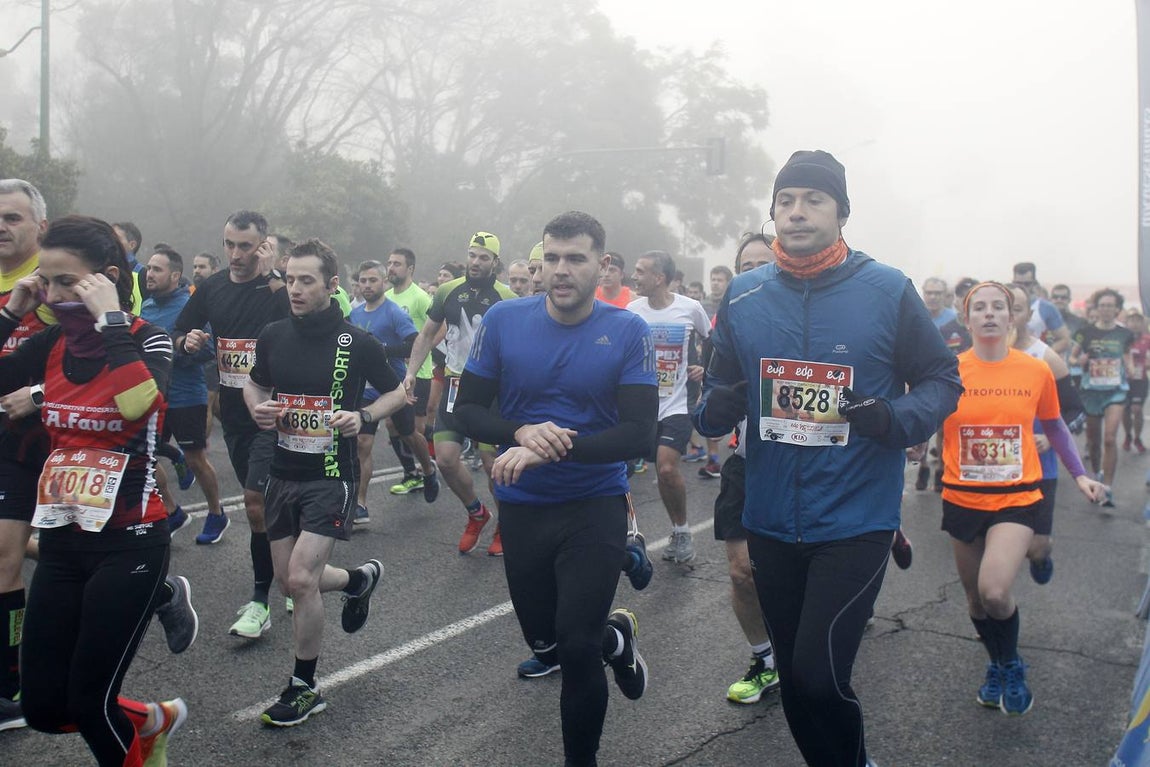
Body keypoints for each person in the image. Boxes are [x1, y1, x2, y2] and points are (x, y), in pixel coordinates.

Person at [695, 150, 962, 766]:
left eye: (813, 200)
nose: (797, 212)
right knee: (795, 681)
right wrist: (721, 403)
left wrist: (892, 419)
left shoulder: (886, 289)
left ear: (841, 213)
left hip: (855, 520)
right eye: (785, 200)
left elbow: (941, 380)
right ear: (772, 213)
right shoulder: (743, 294)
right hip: (769, 518)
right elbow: (711, 403)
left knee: (819, 676)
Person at [455, 210, 655, 767]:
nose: (560, 271)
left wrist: (549, 445)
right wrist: (518, 430)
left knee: (576, 643)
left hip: (594, 503)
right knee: (544, 642)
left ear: (602, 264)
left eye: (576, 259)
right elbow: (467, 409)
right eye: (552, 258)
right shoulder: (503, 320)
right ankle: (618, 640)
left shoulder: (628, 329)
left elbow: (640, 433)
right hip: (522, 507)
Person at [2, 215, 197, 766]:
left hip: (131, 543)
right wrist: (11, 311)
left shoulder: (147, 338)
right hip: (65, 538)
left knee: (90, 704)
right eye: (46, 280)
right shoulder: (50, 343)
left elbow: (138, 402)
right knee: (42, 707)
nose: (52, 294)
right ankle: (154, 721)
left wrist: (110, 315)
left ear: (106, 277)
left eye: (67, 282)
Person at [244, 238, 404, 726]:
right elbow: (255, 382)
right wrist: (258, 407)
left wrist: (363, 415)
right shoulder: (273, 334)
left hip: (331, 475)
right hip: (282, 469)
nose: (294, 288)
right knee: (292, 584)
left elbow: (400, 392)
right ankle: (358, 580)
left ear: (332, 285)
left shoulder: (357, 342)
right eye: (290, 278)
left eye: (305, 280)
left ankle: (304, 686)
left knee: (299, 578)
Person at [941, 281, 1103, 716]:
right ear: (967, 317)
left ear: (1013, 317)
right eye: (981, 307)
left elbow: (1055, 427)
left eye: (1000, 307)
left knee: (994, 592)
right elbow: (926, 421)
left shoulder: (1035, 371)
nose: (991, 313)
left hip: (1017, 494)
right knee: (974, 600)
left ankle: (1011, 664)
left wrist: (1080, 475)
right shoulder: (950, 370)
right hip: (961, 495)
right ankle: (995, 665)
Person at [175, 210, 289, 632]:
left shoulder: (278, 287)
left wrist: (275, 272)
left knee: (256, 503)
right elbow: (180, 331)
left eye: (245, 246)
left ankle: (261, 599)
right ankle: (291, 569)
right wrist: (188, 342)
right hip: (236, 415)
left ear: (262, 245)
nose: (236, 254)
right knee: (267, 502)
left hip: (278, 411)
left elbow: (306, 321)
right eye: (229, 244)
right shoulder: (212, 287)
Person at [402, 233, 515, 556]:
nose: (476, 262)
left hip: (491, 391)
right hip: (454, 385)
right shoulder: (449, 291)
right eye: (472, 255)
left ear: (495, 262)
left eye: (483, 257)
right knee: (447, 460)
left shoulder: (506, 297)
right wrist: (410, 373)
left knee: (493, 464)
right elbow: (425, 335)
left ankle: (505, 524)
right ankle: (477, 513)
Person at [712, 232, 780, 704]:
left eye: (764, 263)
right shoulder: (728, 322)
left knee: (789, 574)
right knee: (742, 572)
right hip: (743, 459)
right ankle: (765, 660)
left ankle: (805, 652)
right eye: (746, 265)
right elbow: (710, 399)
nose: (753, 272)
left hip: (799, 467)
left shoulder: (802, 318)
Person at [628, 250, 711, 563]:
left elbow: (713, 340)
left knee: (666, 466)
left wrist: (704, 367)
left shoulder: (689, 308)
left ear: (659, 277)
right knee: (652, 473)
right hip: (643, 404)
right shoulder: (633, 310)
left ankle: (683, 532)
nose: (634, 277)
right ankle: (673, 531)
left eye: (640, 271)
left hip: (677, 403)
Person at [141, 247, 229, 537]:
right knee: (143, 458)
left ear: (175, 275)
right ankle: (171, 511)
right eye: (149, 268)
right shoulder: (148, 306)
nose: (149, 274)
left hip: (186, 394)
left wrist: (174, 353)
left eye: (157, 269)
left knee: (196, 459)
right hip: (155, 396)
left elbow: (208, 348)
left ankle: (216, 513)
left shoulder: (190, 305)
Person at [1008, 284, 1086, 585]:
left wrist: (1050, 439)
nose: (1010, 316)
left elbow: (1075, 411)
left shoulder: (1047, 357)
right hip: (997, 467)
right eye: (1005, 307)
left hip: (1041, 467)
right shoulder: (979, 357)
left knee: (1036, 547)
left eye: (1017, 309)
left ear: (1029, 314)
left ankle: (1041, 555)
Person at [349, 260, 438, 521]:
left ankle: (428, 470)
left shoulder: (394, 312)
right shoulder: (355, 314)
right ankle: (361, 505)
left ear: (383, 282)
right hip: (366, 389)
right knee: (362, 442)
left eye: (372, 280)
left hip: (393, 386)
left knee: (409, 434)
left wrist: (379, 352)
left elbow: (414, 345)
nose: (367, 285)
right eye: (363, 281)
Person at [1073, 288, 1133, 507]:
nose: (1106, 310)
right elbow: (1072, 356)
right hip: (1091, 391)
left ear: (1117, 309)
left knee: (1110, 437)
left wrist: (1131, 367)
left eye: (1110, 306)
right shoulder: (1085, 332)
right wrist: (1079, 361)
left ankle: (1107, 488)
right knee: (1094, 442)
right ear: (1096, 309)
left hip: (1116, 390)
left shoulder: (1125, 334)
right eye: (1102, 305)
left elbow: (1127, 358)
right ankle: (1097, 476)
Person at [384, 248, 437, 493]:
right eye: (390, 263)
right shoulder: (386, 297)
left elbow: (441, 327)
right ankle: (411, 473)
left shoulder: (420, 297)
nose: (391, 268)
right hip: (392, 374)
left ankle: (428, 468)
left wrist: (421, 352)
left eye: (397, 263)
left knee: (415, 430)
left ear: (410, 269)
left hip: (419, 374)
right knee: (393, 426)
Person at [1123, 310, 1150, 453]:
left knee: (1137, 409)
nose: (1135, 323)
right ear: (1127, 323)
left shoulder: (1148, 339)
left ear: (1142, 323)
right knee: (1125, 410)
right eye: (1132, 320)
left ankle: (1137, 438)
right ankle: (1128, 435)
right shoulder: (1121, 339)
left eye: (1137, 320)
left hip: (1140, 380)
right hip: (1123, 380)